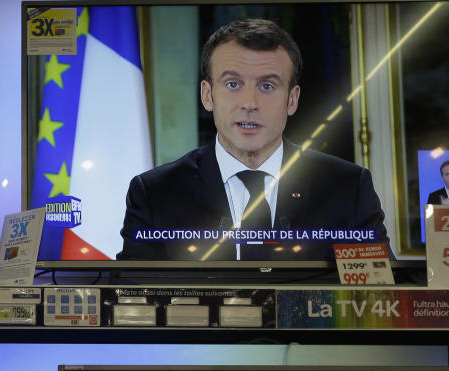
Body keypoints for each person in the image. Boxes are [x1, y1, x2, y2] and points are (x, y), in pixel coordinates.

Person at [117, 18, 390, 262]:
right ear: (207, 95)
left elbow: (378, 296)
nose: (249, 103)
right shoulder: (155, 193)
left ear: (291, 100)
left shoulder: (348, 188)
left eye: (267, 86)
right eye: (233, 84)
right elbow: (132, 300)